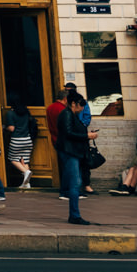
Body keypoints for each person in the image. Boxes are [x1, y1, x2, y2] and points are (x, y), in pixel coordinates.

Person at [58, 89, 94, 225]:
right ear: (73, 103)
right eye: (81, 105)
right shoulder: (66, 114)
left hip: (72, 151)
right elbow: (68, 133)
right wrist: (86, 136)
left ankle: (74, 214)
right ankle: (74, 215)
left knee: (75, 182)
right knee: (75, 182)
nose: (82, 108)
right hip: (69, 151)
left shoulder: (71, 114)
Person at [4, 103, 37, 190]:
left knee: (13, 159)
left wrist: (4, 127)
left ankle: (26, 172)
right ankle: (26, 183)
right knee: (25, 161)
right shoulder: (26, 112)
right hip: (27, 139)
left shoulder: (10, 113)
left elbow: (11, 128)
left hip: (16, 140)